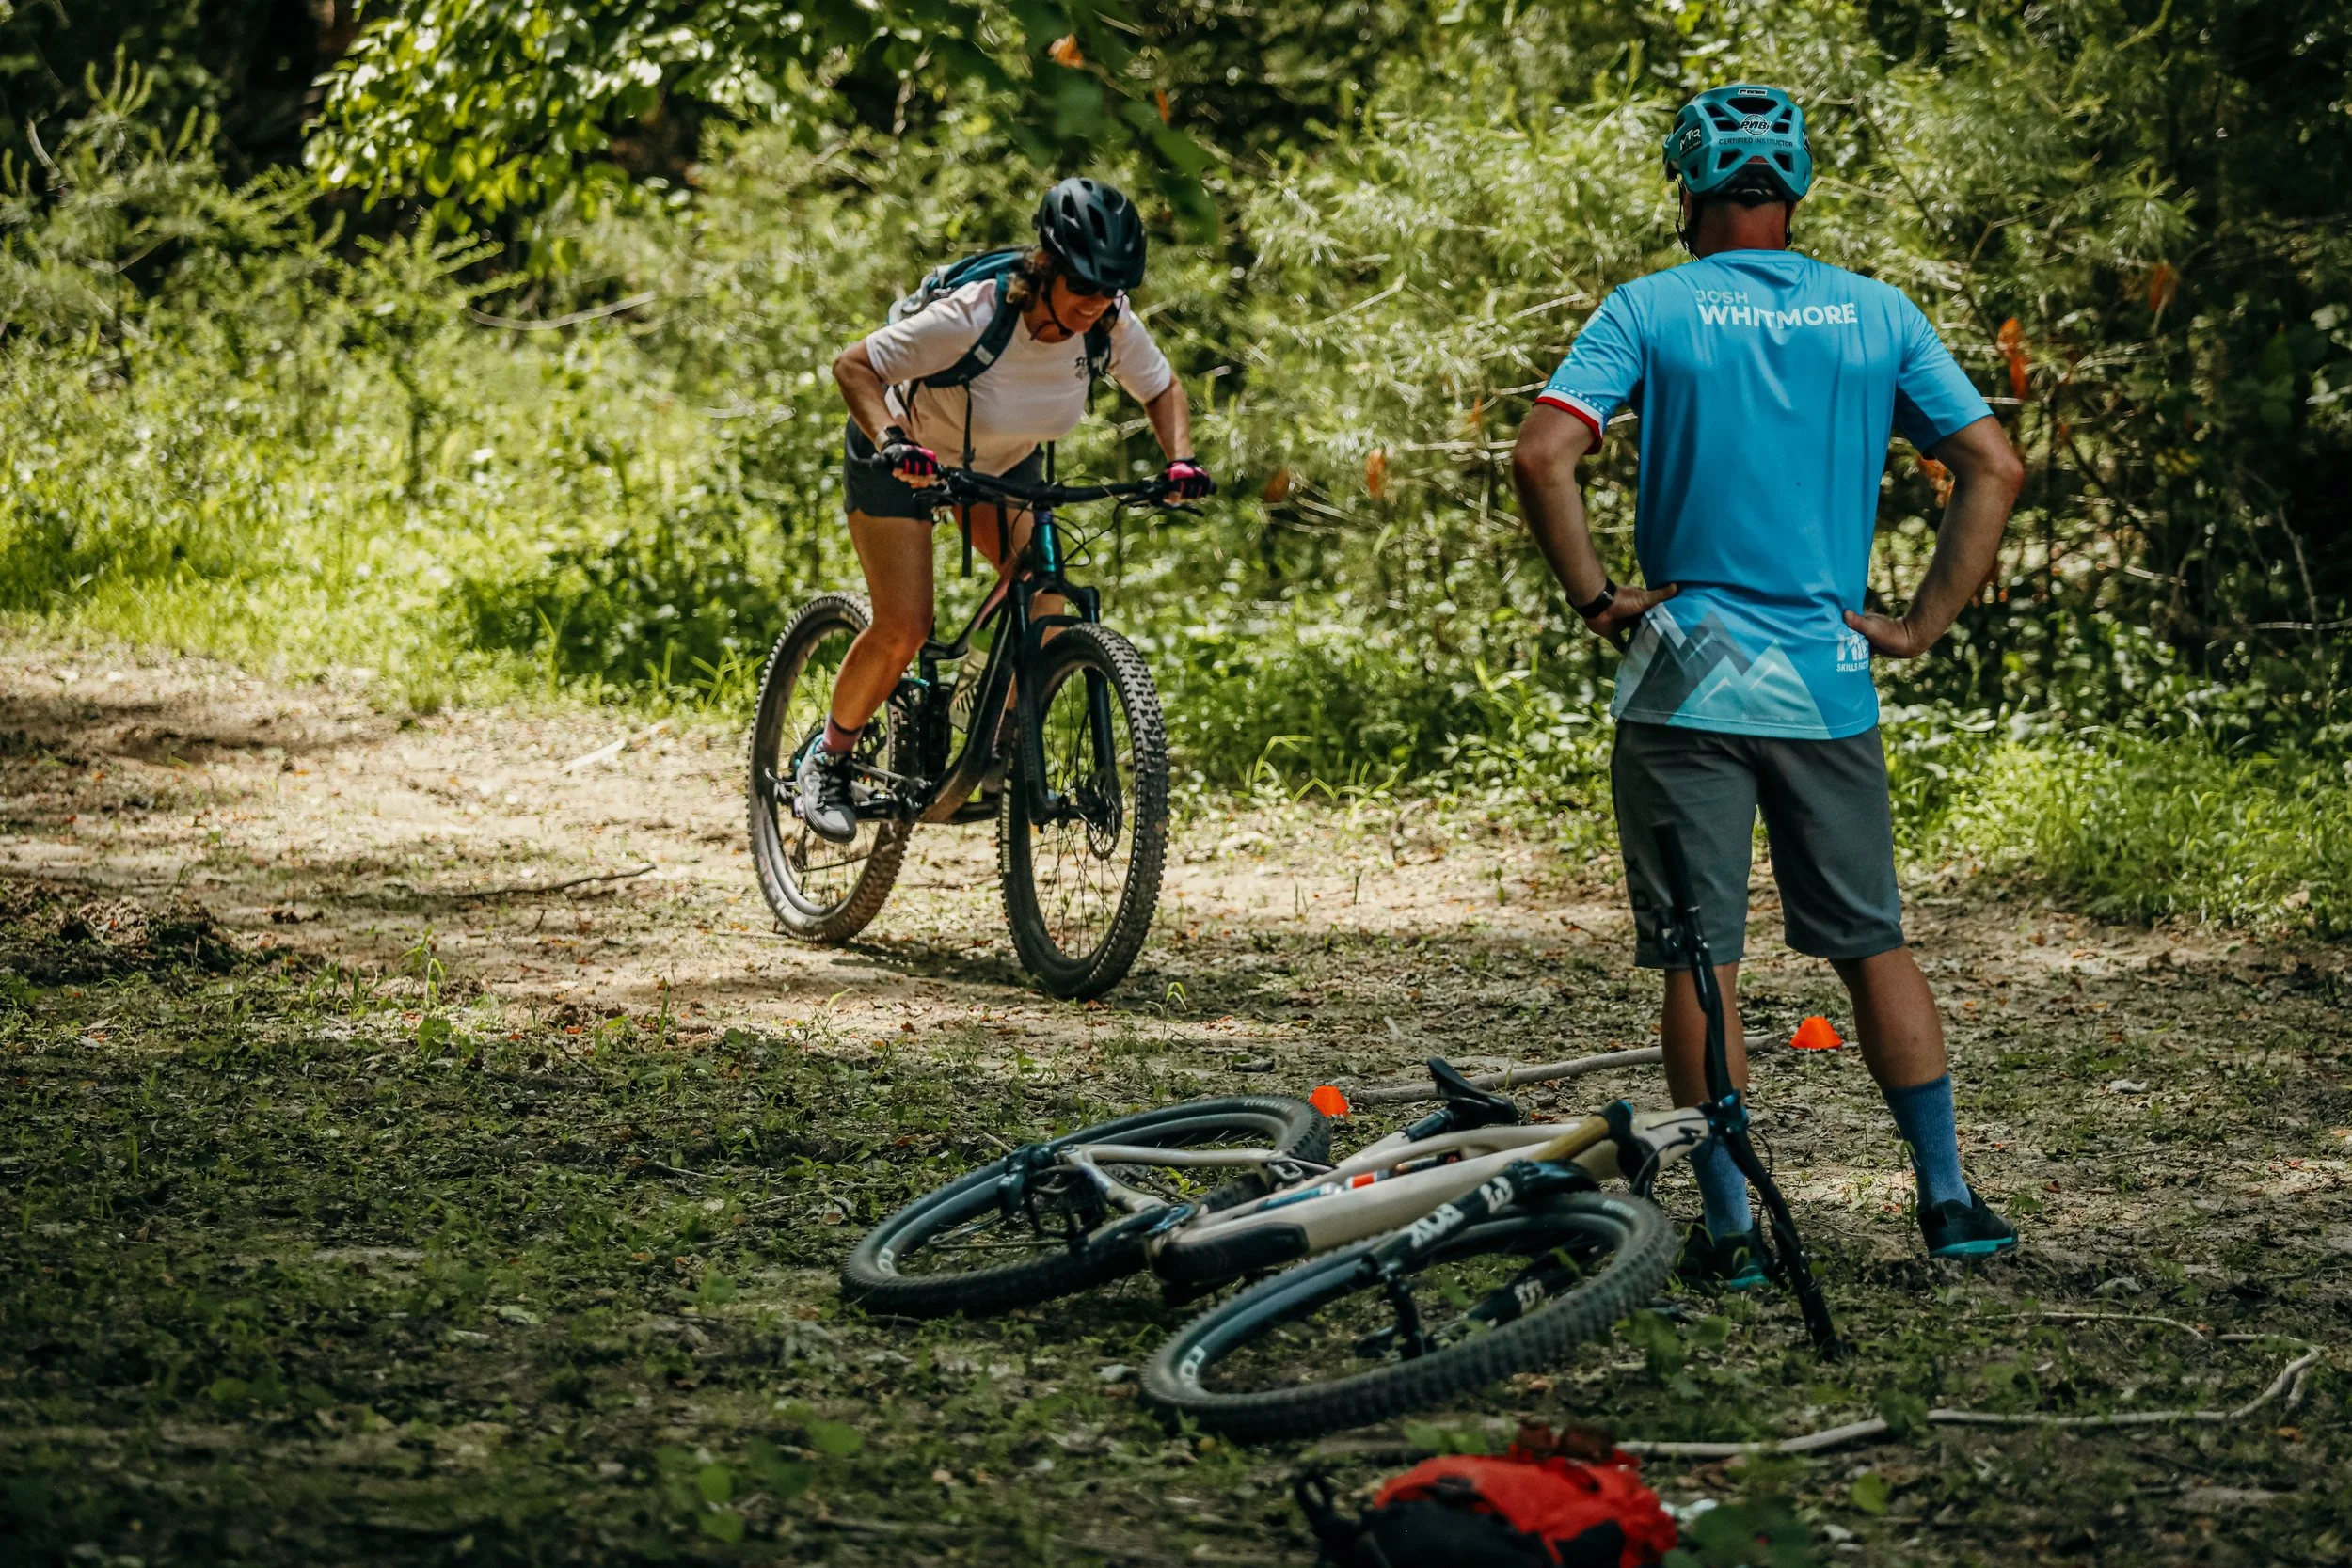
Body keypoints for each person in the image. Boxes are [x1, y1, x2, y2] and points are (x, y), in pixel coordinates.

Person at [1510, 84, 2027, 1284]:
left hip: (1688, 678)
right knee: (1870, 943)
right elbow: (1989, 464)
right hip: (1825, 682)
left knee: (1707, 961)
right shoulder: (1878, 313)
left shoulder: (1648, 308)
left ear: (1687, 187)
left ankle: (1733, 1232)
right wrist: (1917, 623)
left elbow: (1544, 454)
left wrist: (1597, 598)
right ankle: (1947, 1199)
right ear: (1792, 190)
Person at [801, 176, 1214, 843]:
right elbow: (853, 366)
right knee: (906, 624)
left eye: (1108, 291)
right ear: (1046, 269)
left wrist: (1180, 460)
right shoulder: (972, 317)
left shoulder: (1108, 324)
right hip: (906, 459)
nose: (1095, 304)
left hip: (998, 467)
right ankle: (831, 758)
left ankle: (987, 741)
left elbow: (1162, 388)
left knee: (1045, 587)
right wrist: (892, 440)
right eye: (1083, 287)